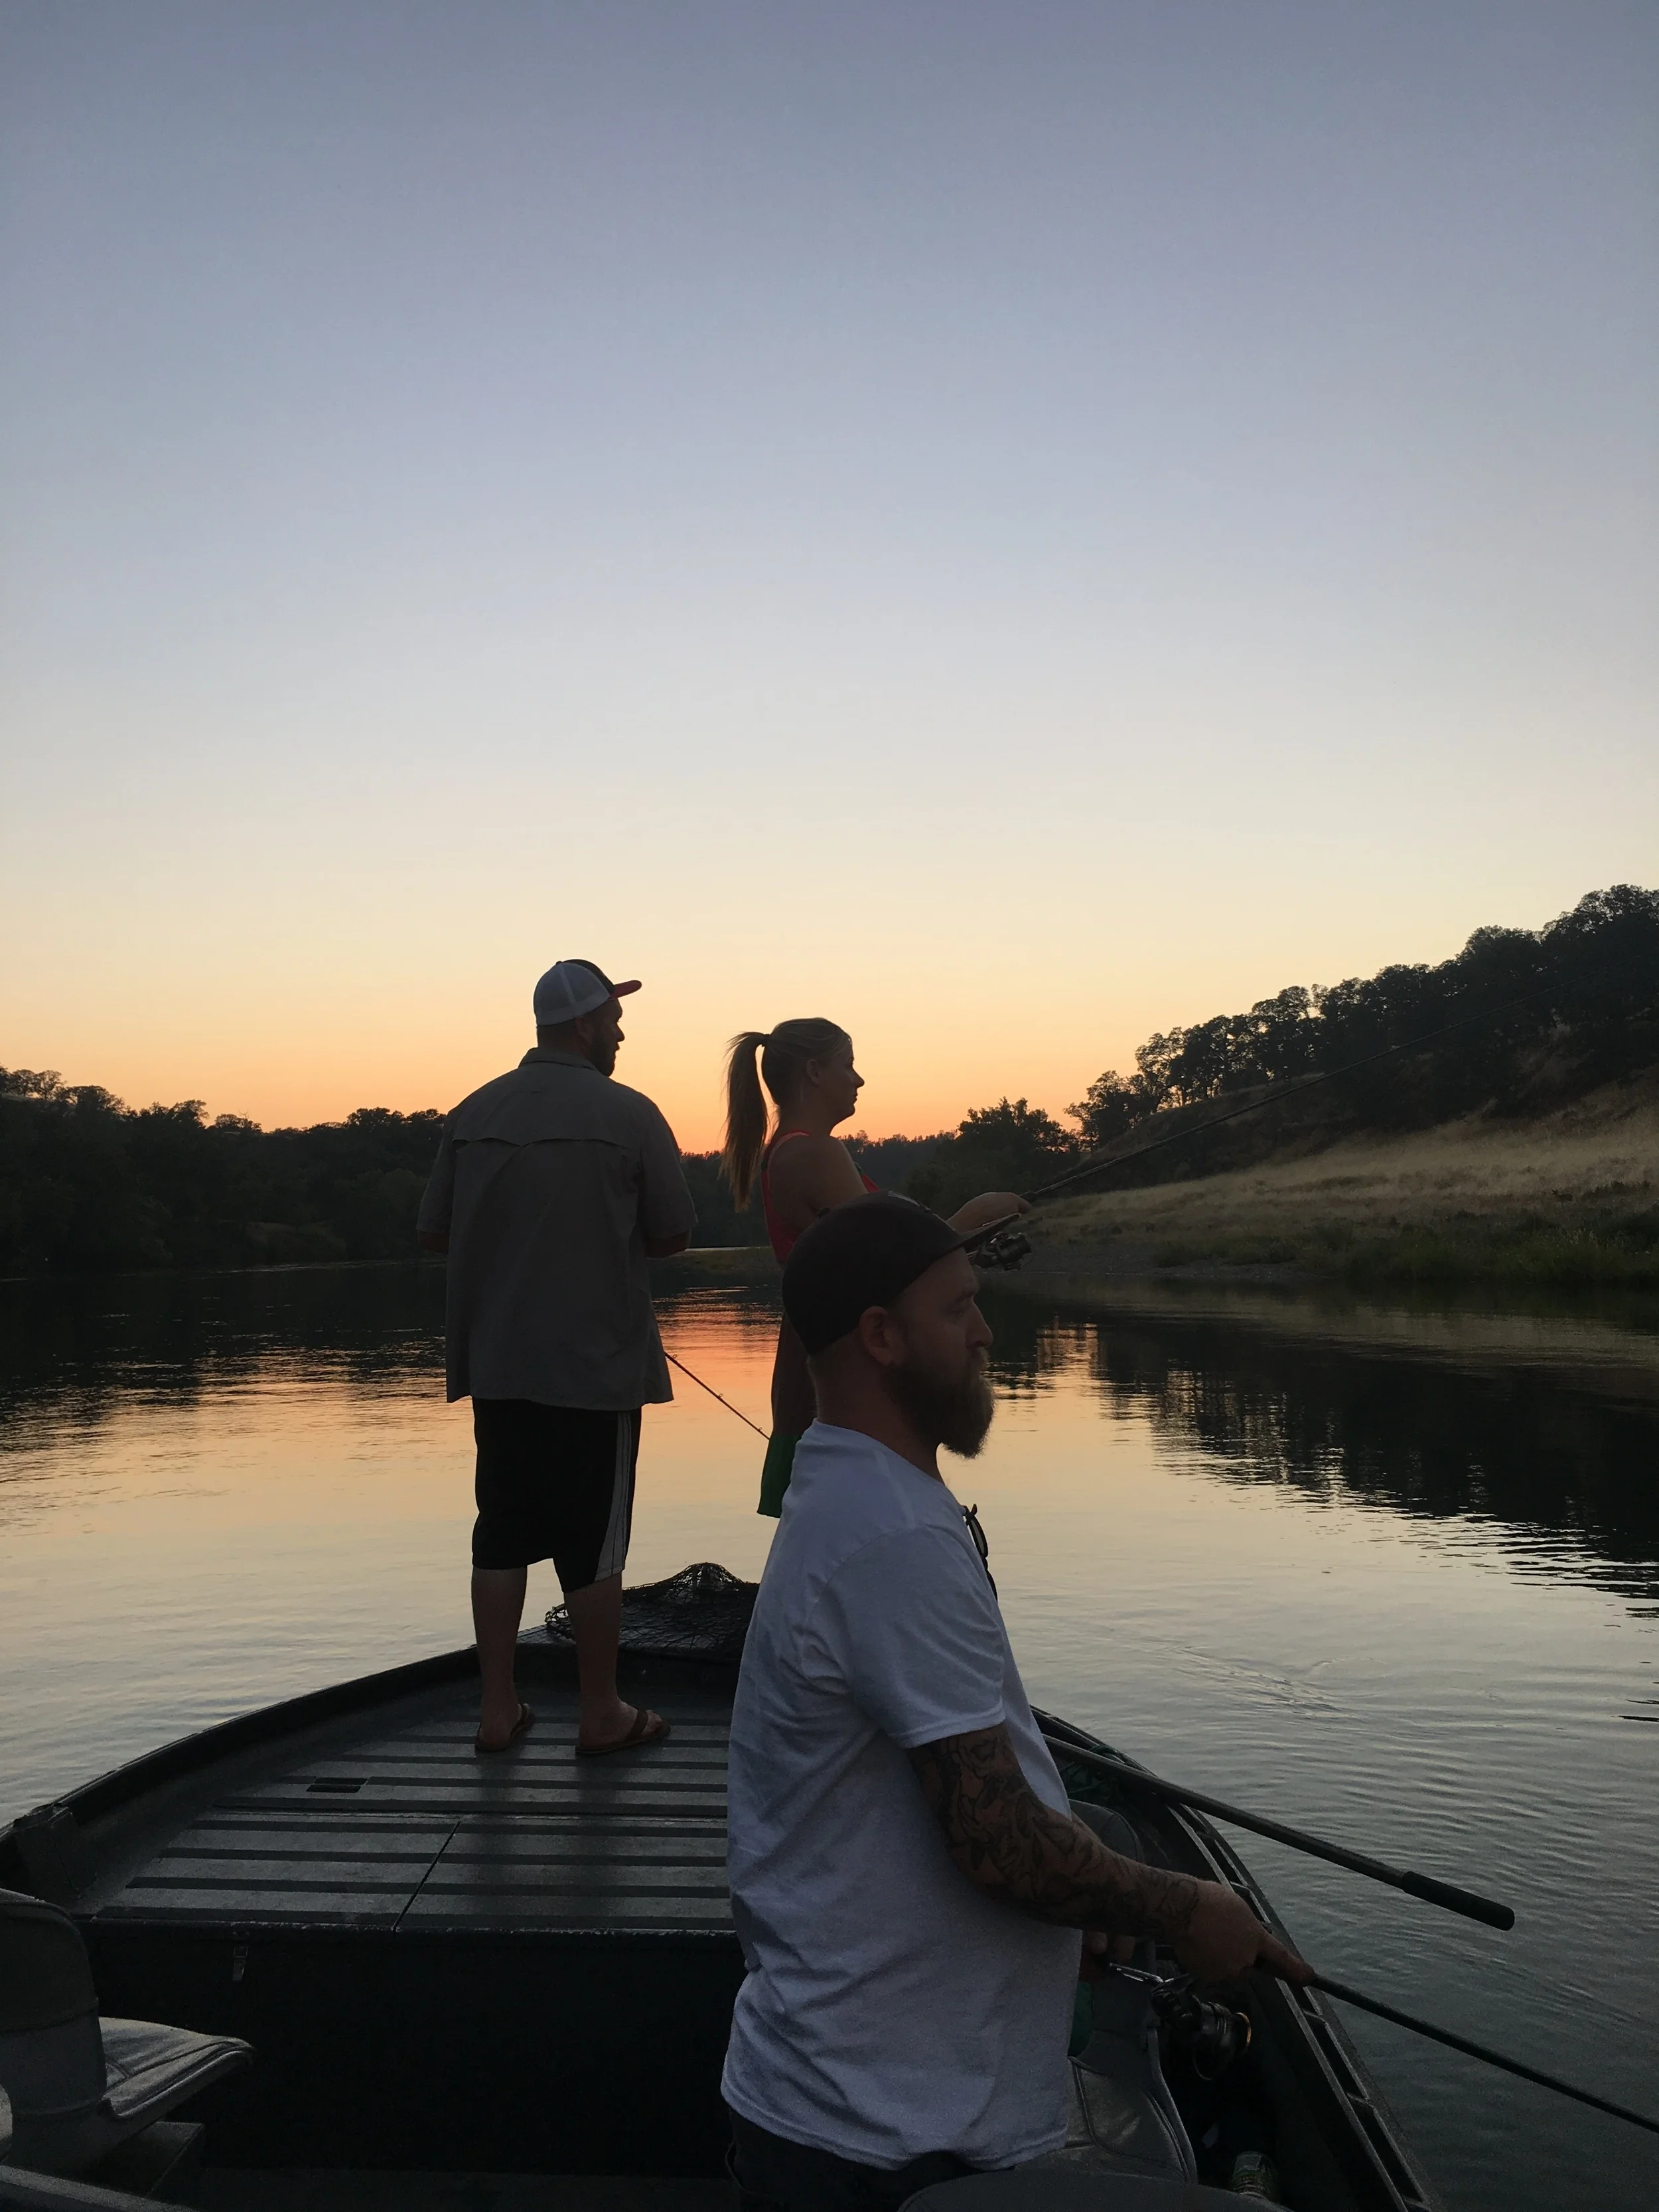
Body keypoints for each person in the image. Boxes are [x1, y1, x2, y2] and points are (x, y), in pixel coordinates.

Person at [722, 1194, 1307, 2209]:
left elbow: (961, 1806)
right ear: (882, 1337)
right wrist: (1187, 1907)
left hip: (876, 2110)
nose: (988, 1331)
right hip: (881, 2144)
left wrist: (1083, 1885)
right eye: (959, 1310)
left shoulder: (856, 1494)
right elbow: (1000, 1847)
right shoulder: (890, 1538)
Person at [417, 958, 696, 1756]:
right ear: (583, 1024)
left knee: (500, 1531)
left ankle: (497, 1712)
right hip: (595, 1369)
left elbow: (434, 1232)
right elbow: (673, 1236)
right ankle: (600, 1712)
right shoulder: (631, 1113)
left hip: (498, 1368)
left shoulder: (472, 1112)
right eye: (612, 1019)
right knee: (594, 1544)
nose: (619, 1031)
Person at [721, 1020, 1027, 1515]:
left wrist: (963, 1242)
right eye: (849, 1065)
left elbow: (883, 1255)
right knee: (864, 1508)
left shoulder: (795, 1149)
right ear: (815, 1071)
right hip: (845, 1368)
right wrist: (975, 1216)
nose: (858, 1079)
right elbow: (889, 1258)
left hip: (825, 1353)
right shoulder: (812, 1151)